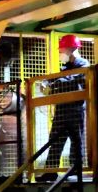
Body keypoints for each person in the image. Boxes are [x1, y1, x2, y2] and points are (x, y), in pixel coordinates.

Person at [37, 34, 90, 182]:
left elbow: (70, 80)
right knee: (55, 140)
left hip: (75, 109)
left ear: (71, 48)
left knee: (76, 140)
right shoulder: (67, 67)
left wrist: (52, 85)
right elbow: (60, 79)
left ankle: (75, 170)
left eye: (61, 49)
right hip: (62, 109)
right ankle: (51, 172)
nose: (60, 52)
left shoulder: (83, 65)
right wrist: (46, 82)